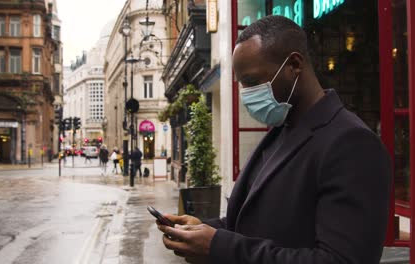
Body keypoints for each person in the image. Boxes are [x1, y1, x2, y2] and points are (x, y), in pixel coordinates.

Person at [157, 16, 391, 264]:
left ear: (294, 65)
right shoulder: (281, 130)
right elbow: (258, 225)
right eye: (242, 84)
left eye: (253, 81)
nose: (246, 95)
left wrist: (219, 247)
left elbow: (340, 259)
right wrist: (204, 229)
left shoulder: (352, 144)